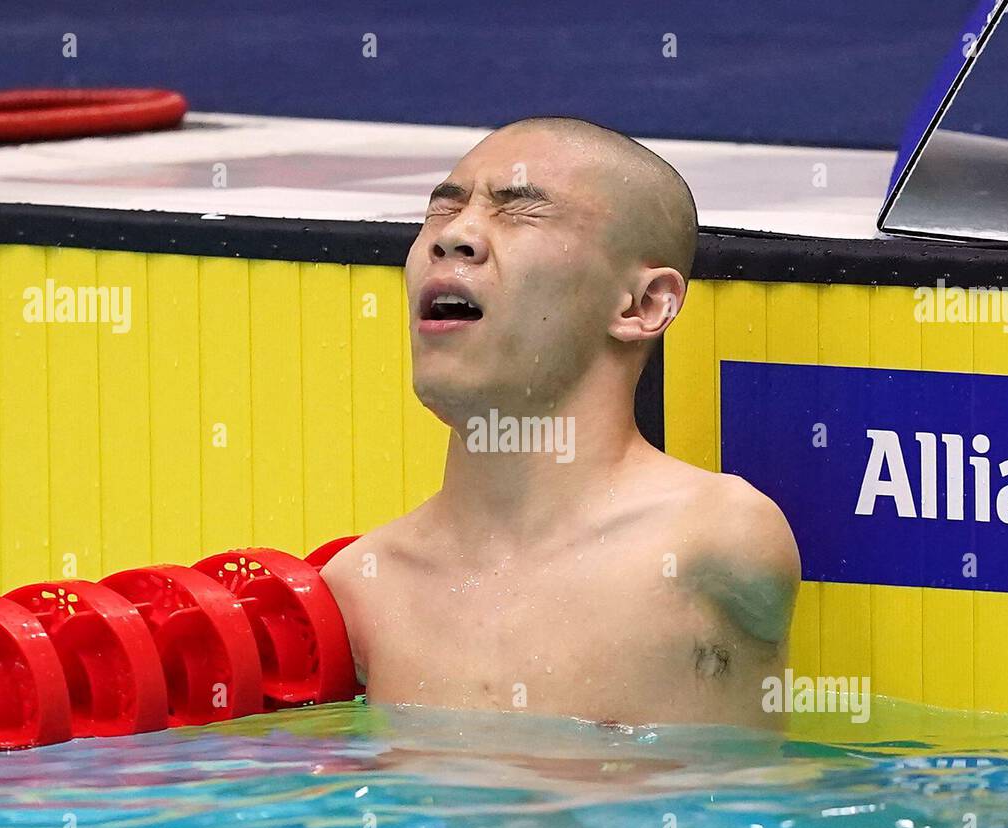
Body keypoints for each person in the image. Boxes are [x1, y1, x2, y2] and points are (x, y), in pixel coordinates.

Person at [323, 116, 799, 727]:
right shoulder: (364, 590)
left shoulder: (713, 543)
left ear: (642, 305)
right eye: (441, 211)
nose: (456, 236)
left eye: (519, 211)